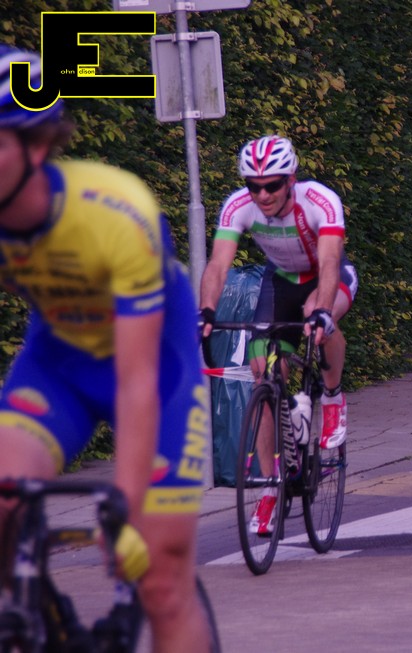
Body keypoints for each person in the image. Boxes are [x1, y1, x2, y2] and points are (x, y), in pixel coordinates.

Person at [0, 46, 212, 652]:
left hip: (156, 375)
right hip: (58, 371)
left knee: (161, 578)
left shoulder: (117, 212)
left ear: (37, 145)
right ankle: (33, 617)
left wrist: (124, 511)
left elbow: (136, 379)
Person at [199, 135, 358, 535]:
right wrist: (206, 311)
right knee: (263, 374)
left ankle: (333, 397)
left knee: (318, 321)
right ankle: (271, 486)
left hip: (326, 276)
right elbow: (218, 265)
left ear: (290, 179)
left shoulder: (319, 201)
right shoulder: (238, 206)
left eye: (271, 185)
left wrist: (322, 311)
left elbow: (329, 261)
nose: (263, 195)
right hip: (281, 281)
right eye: (253, 186)